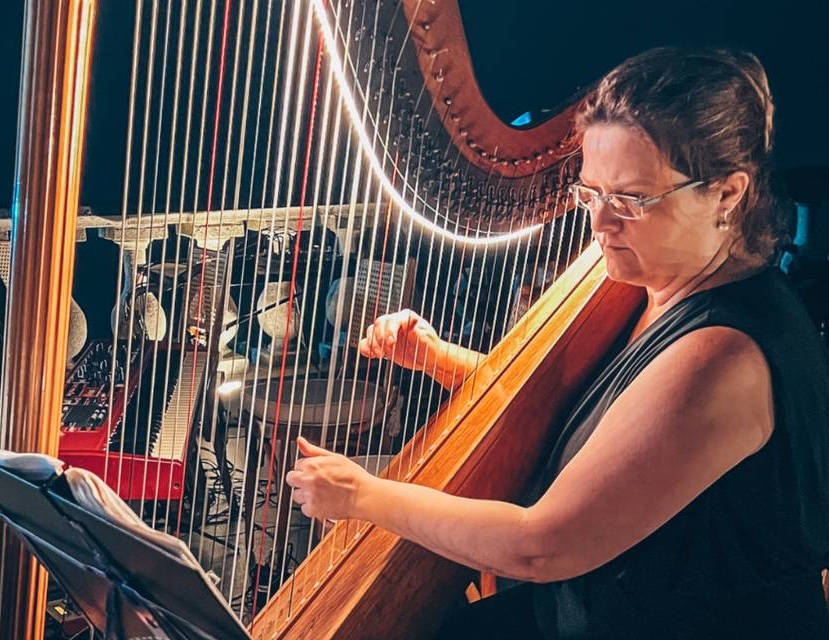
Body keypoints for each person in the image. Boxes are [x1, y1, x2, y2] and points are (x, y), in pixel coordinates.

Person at [285, 46, 829, 638]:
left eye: (631, 199)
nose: (600, 224)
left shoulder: (723, 357)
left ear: (727, 194)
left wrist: (362, 497)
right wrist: (438, 359)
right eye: (590, 192)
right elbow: (588, 415)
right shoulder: (659, 284)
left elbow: (540, 548)